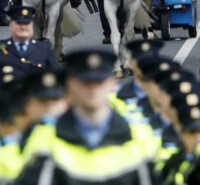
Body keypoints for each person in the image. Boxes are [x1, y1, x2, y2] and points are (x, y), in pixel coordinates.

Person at [16, 49, 159, 184]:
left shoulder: (139, 136)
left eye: (99, 82)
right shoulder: (44, 139)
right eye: (85, 82)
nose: (93, 89)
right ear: (70, 85)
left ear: (112, 84)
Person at [0, 4, 60, 69]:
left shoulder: (45, 48)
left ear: (32, 25)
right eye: (19, 23)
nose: (23, 27)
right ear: (11, 26)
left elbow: (55, 74)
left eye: (26, 24)